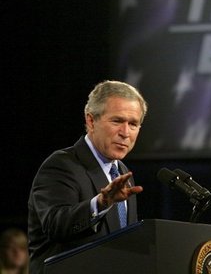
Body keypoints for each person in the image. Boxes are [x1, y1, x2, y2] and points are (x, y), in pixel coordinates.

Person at [27, 80, 148, 273]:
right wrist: (100, 203)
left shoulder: (123, 172)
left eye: (133, 124)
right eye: (117, 121)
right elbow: (55, 225)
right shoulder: (61, 164)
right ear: (91, 121)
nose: (125, 133)